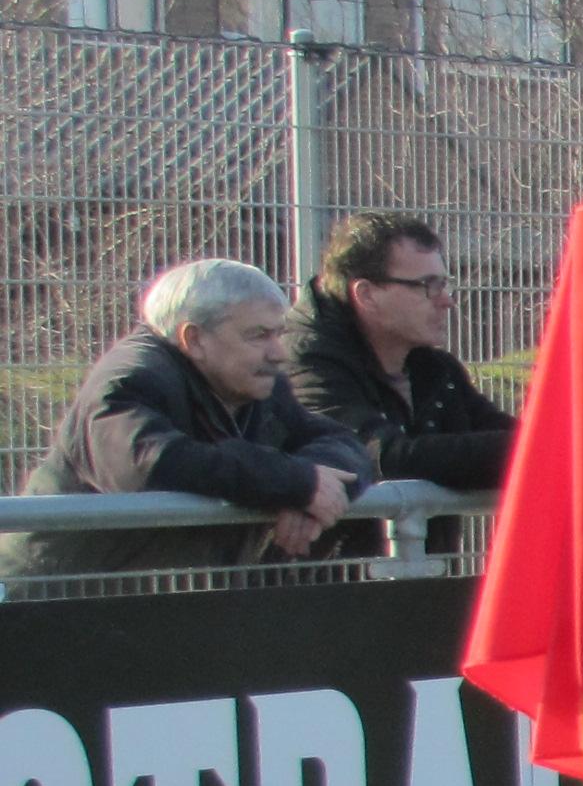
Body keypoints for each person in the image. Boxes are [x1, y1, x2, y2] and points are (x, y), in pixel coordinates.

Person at [10, 257, 367, 580]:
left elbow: (344, 444)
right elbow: (150, 464)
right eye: (258, 335)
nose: (279, 354)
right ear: (193, 339)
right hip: (51, 600)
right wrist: (295, 482)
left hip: (148, 601)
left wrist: (312, 494)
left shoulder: (255, 383)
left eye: (279, 334)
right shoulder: (131, 379)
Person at [288, 212, 513, 518]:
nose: (446, 301)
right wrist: (540, 447)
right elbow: (382, 458)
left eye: (444, 284)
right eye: (427, 285)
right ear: (367, 295)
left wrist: (554, 443)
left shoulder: (434, 368)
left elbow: (505, 434)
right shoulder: (306, 363)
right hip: (337, 551)